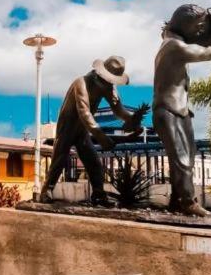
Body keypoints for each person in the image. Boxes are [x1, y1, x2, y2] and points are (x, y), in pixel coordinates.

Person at [152, 4, 211, 216]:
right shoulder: (173, 47)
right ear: (185, 26)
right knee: (181, 158)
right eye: (197, 26)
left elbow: (200, 42)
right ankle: (188, 202)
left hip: (178, 110)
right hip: (168, 110)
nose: (199, 31)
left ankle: (177, 201)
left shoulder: (174, 42)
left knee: (186, 156)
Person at [40, 56, 149, 205]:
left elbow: (118, 110)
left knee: (94, 162)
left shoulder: (108, 86)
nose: (111, 85)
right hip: (68, 127)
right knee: (59, 158)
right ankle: (46, 191)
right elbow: (84, 113)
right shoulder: (81, 83)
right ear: (100, 76)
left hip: (83, 129)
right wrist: (102, 137)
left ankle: (99, 195)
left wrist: (132, 119)